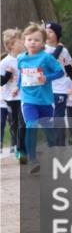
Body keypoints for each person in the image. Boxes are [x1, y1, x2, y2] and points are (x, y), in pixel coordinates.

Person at [17, 24, 66, 173]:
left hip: (44, 101)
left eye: (37, 40)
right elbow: (21, 74)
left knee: (49, 131)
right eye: (29, 39)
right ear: (24, 41)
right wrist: (18, 86)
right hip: (28, 100)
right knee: (31, 126)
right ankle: (32, 160)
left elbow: (60, 72)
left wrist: (46, 77)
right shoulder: (21, 58)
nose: (33, 42)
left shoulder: (47, 57)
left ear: (43, 42)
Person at [44, 21, 72, 146]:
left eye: (50, 32)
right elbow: (49, 62)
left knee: (59, 117)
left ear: (57, 34)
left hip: (60, 89)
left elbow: (69, 69)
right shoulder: (42, 49)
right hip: (45, 89)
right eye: (46, 31)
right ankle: (51, 143)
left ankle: (60, 146)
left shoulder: (64, 51)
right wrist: (59, 48)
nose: (47, 34)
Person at [1, 29, 25, 161]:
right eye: (19, 40)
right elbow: (1, 82)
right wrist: (8, 74)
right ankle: (16, 146)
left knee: (23, 122)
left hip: (24, 96)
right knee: (14, 123)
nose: (23, 42)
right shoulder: (4, 62)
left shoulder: (25, 58)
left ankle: (22, 148)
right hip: (10, 98)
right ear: (11, 45)